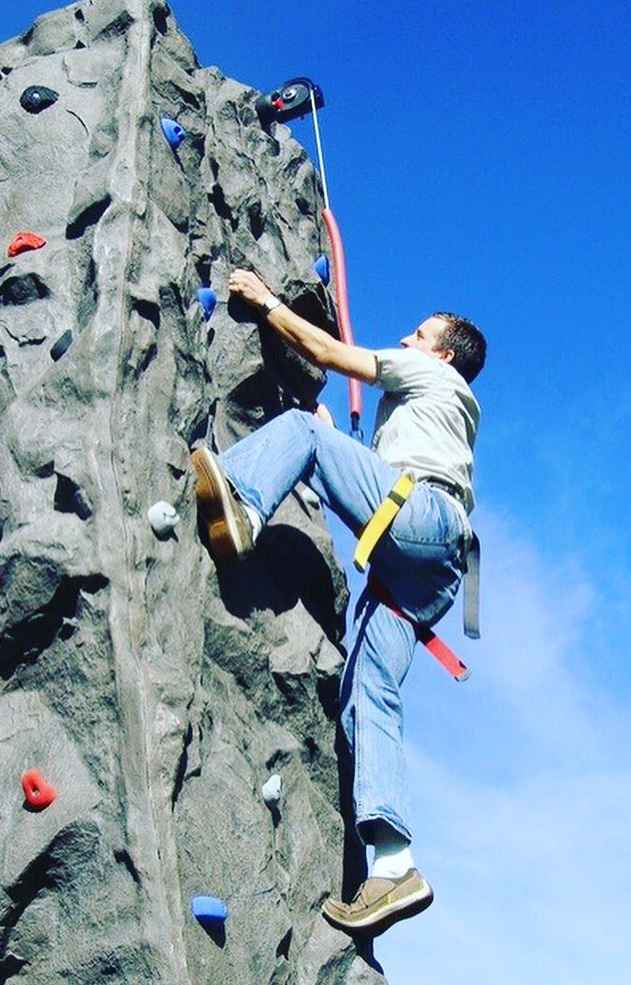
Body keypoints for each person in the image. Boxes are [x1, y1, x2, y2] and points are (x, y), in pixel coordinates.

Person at [191, 268, 485, 938]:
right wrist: (340, 444)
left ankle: (242, 502)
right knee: (368, 695)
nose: (405, 339)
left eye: (418, 334)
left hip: (418, 522)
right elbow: (379, 472)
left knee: (300, 428)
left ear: (440, 354)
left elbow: (325, 353)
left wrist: (266, 302)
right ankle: (394, 863)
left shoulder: (432, 376)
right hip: (428, 568)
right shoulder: (437, 413)